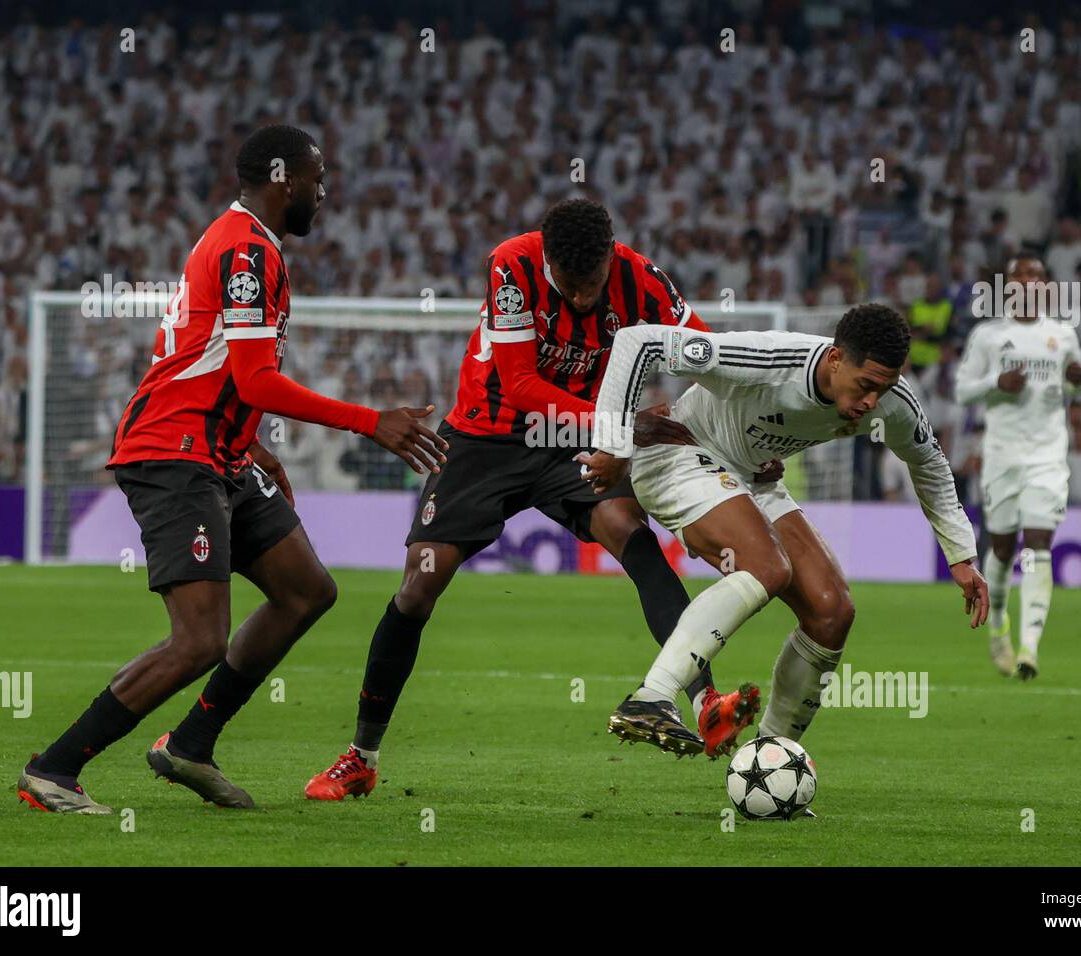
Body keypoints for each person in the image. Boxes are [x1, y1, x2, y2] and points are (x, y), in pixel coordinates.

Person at [17, 125, 447, 814]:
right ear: (283, 177)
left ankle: (191, 744)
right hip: (174, 449)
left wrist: (251, 444)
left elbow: (227, 369)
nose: (324, 190)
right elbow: (252, 378)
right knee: (199, 639)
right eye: (317, 175)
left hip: (221, 450)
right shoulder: (245, 249)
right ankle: (55, 770)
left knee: (305, 589)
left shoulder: (254, 245)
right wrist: (372, 420)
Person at [304, 199, 774, 800]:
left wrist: (751, 435)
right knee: (420, 586)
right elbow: (522, 387)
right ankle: (361, 758)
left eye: (592, 284)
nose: (581, 299)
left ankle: (706, 701)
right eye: (568, 285)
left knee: (634, 540)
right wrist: (625, 424)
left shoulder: (644, 280)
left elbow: (712, 358)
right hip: (486, 435)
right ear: (547, 258)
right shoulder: (512, 266)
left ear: (611, 257)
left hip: (573, 443)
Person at [578, 303, 988, 754]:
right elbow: (638, 342)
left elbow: (928, 462)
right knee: (767, 566)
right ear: (835, 360)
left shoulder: (892, 402)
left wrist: (961, 555)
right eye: (865, 385)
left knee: (832, 611)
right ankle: (652, 697)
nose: (873, 401)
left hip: (750, 476)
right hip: (679, 450)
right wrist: (612, 444)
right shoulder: (766, 358)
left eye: (884, 387)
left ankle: (771, 759)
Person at [955, 256, 1081, 679]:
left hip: (1048, 456)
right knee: (1003, 546)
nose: (1028, 282)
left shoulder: (1062, 334)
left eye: (1036, 276)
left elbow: (1076, 385)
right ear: (1008, 286)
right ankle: (999, 630)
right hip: (1002, 456)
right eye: (1019, 276)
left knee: (1039, 542)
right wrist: (996, 383)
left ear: (1046, 285)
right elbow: (961, 391)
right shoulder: (989, 336)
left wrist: (1077, 377)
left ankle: (1030, 647)